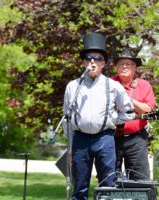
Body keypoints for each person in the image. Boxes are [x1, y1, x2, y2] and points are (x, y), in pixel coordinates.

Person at [63, 33, 135, 200]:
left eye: (97, 58)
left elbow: (129, 112)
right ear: (83, 62)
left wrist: (112, 120)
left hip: (105, 139)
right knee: (79, 189)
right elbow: (67, 118)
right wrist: (70, 146)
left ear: (103, 63)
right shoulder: (73, 86)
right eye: (89, 58)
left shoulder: (113, 85)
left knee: (107, 187)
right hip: (80, 141)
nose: (92, 61)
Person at [111, 48, 156, 181]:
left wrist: (127, 99)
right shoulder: (107, 83)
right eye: (121, 64)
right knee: (109, 179)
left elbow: (148, 110)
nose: (124, 66)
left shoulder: (144, 85)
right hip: (110, 138)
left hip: (136, 140)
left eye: (128, 64)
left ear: (135, 67)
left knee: (141, 180)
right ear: (116, 67)